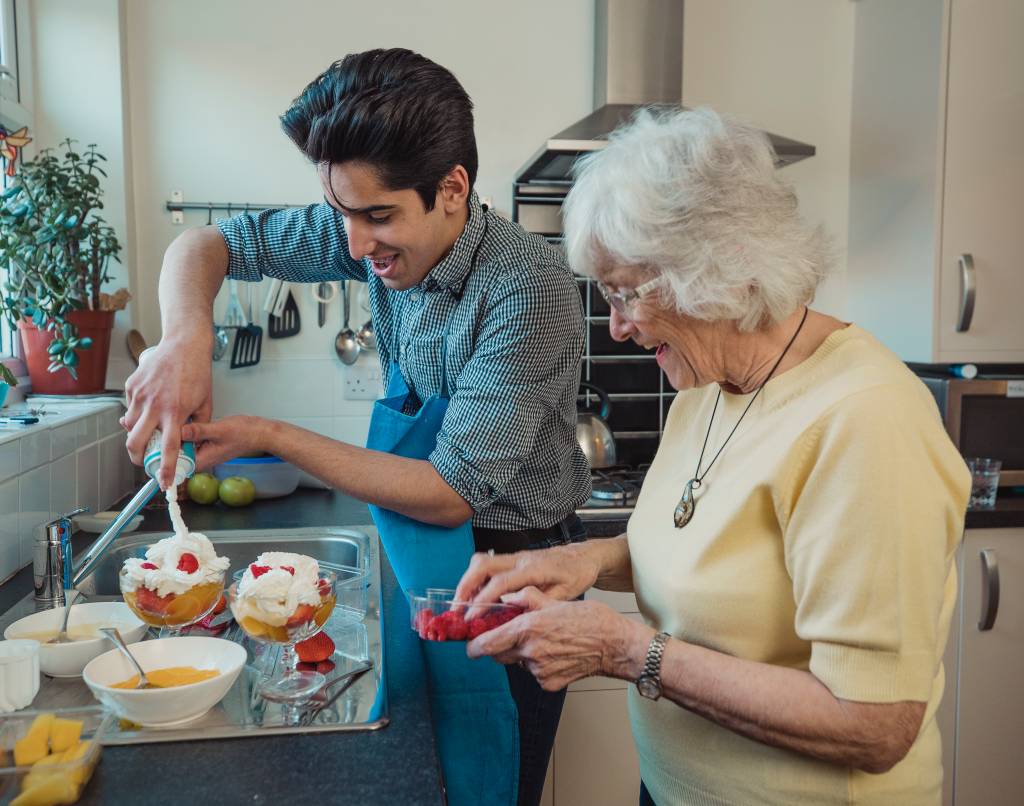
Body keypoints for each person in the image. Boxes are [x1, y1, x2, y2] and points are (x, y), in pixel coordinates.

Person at [455, 107, 971, 806]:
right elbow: (702, 547)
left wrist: (623, 649)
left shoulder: (865, 420)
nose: (616, 325)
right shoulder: (705, 387)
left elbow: (874, 724)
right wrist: (581, 561)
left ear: (716, 268)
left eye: (625, 292)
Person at [122, 49, 590, 806]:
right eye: (342, 213)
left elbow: (447, 493)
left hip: (514, 574)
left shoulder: (525, 291)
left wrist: (273, 435)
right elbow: (203, 246)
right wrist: (184, 338)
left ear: (452, 190)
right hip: (417, 551)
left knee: (488, 782)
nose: (353, 246)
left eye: (377, 217)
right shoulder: (371, 233)